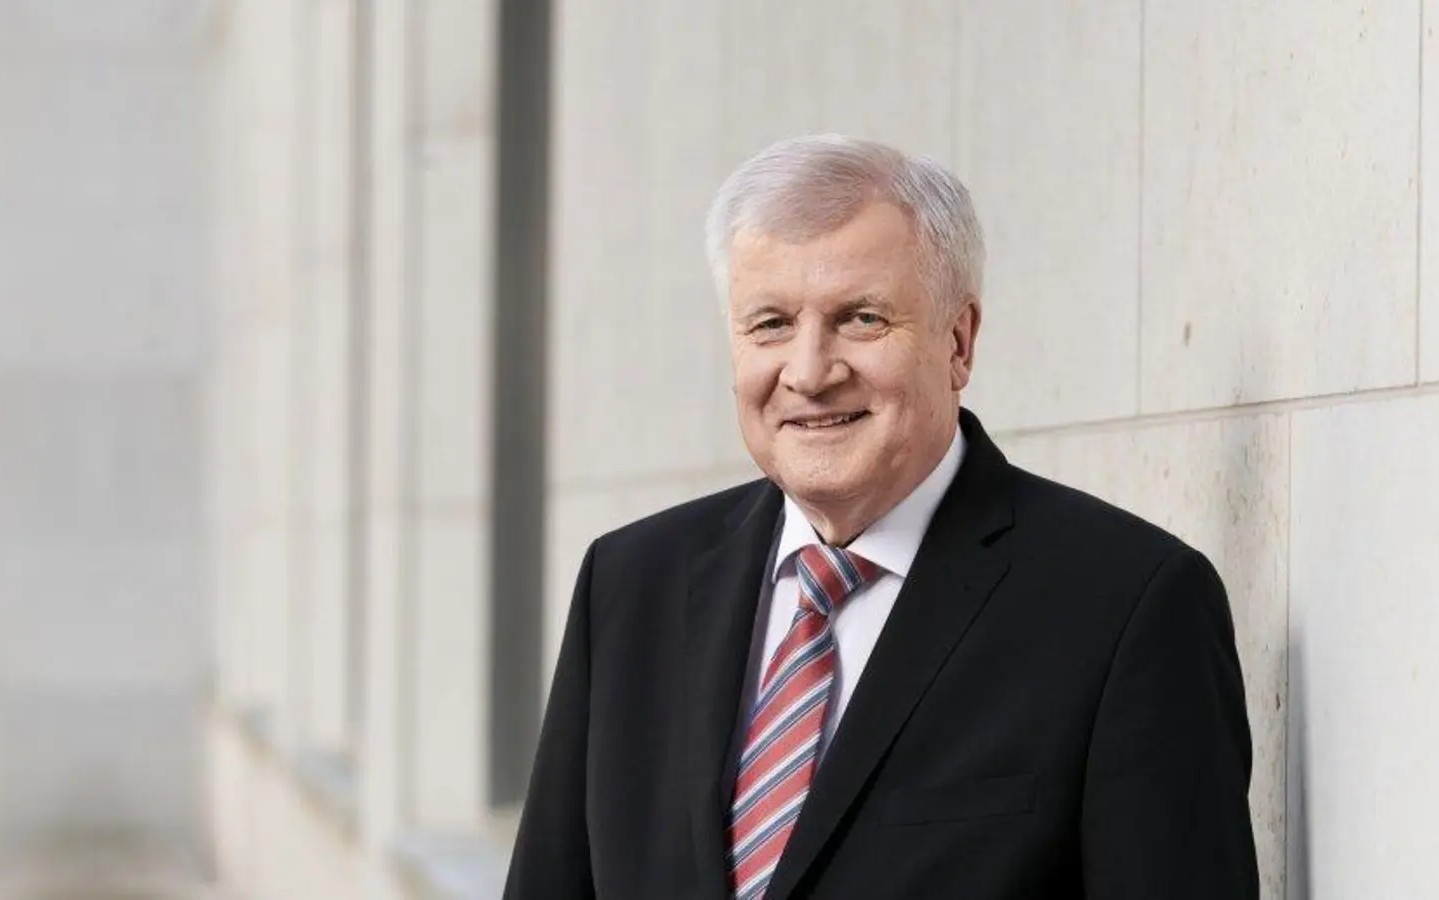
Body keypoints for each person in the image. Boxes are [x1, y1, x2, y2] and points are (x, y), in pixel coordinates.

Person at [503, 134, 1258, 899]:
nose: (808, 372)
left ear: (958, 342)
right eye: (770, 324)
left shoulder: (1126, 606)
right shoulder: (630, 585)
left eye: (860, 319)